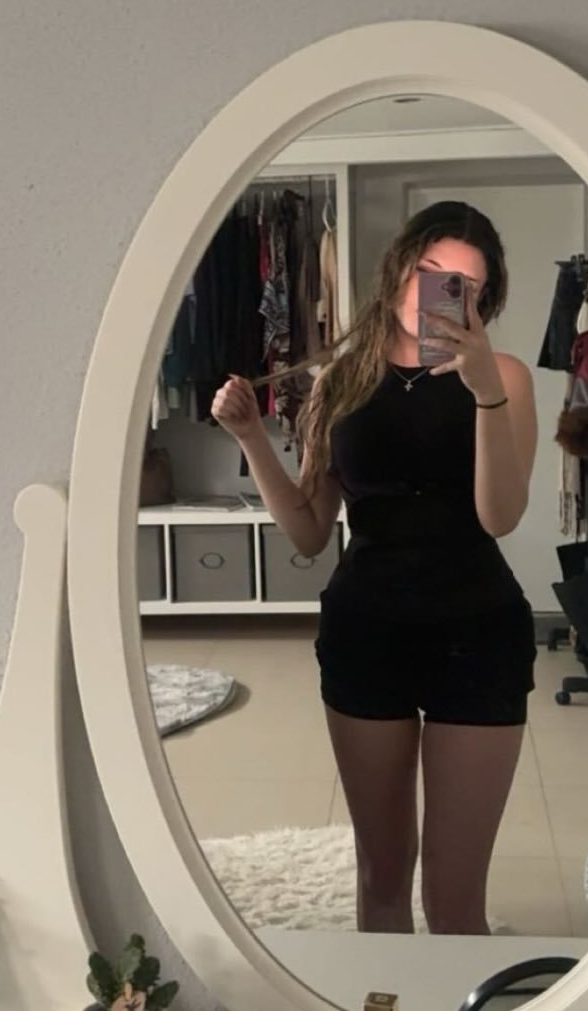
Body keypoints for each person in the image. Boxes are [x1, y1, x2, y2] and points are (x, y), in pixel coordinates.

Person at [211, 201, 538, 936]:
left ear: (484, 302)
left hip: (478, 636)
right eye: (432, 272)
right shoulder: (341, 381)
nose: (442, 294)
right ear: (398, 270)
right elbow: (307, 529)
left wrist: (483, 389)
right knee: (381, 878)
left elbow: (499, 517)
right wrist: (252, 438)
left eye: (466, 286)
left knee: (454, 898)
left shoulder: (507, 379)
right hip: (367, 634)